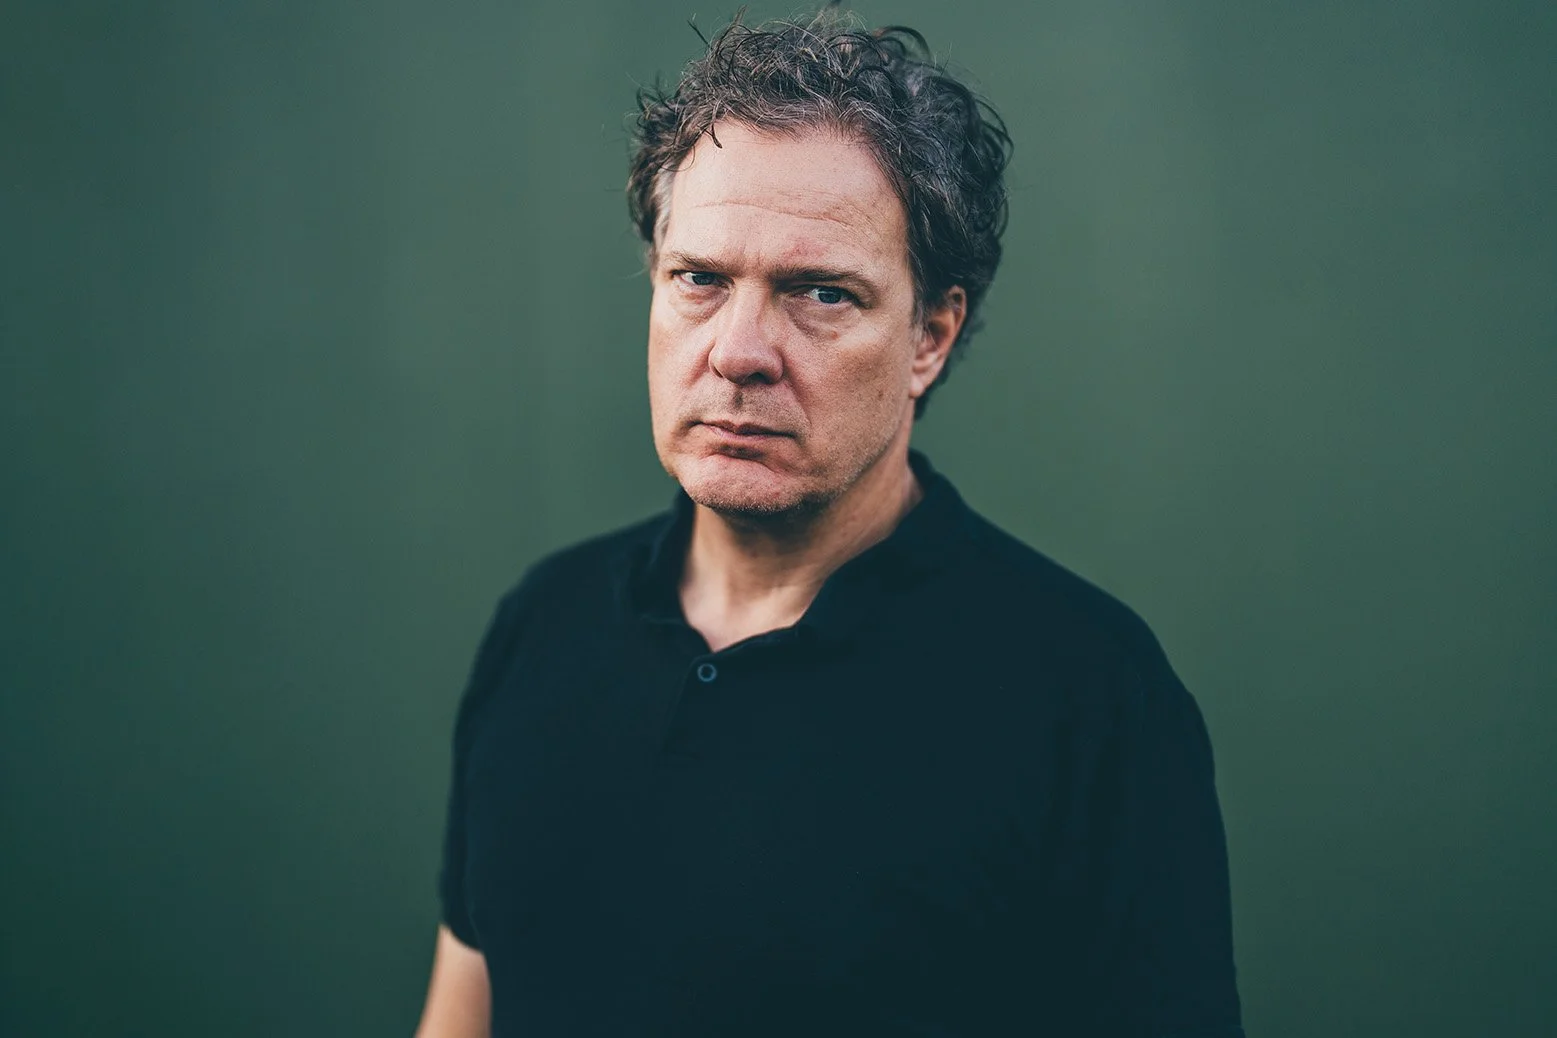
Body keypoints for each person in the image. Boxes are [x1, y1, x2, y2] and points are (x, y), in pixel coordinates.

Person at [415, 10, 1244, 1037]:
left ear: (929, 338)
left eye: (818, 293)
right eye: (701, 280)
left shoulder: (1090, 698)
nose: (739, 351)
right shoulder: (542, 627)